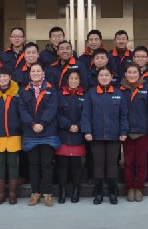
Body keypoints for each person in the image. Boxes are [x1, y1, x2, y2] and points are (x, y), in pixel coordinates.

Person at [82, 67, 128, 205]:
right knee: (98, 164)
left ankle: (113, 193)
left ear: (111, 77)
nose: (104, 77)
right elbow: (86, 114)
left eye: (106, 75)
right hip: (96, 136)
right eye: (101, 75)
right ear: (97, 77)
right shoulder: (91, 94)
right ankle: (98, 193)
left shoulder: (118, 93)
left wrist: (123, 132)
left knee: (112, 164)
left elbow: (124, 115)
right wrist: (87, 131)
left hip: (114, 136)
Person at [18, 62, 60, 207]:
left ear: (43, 73)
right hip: (31, 133)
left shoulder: (51, 89)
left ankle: (47, 193)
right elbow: (22, 110)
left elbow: (52, 108)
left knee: (47, 164)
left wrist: (42, 123)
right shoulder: (24, 91)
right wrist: (32, 124)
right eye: (33, 71)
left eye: (38, 71)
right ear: (29, 74)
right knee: (34, 164)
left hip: (47, 132)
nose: (35, 73)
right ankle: (35, 192)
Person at [120, 62, 148, 202]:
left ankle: (140, 188)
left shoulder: (147, 88)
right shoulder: (120, 88)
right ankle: (130, 188)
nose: (132, 75)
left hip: (143, 131)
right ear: (125, 74)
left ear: (139, 74)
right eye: (129, 72)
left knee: (141, 162)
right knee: (128, 162)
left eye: (135, 72)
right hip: (127, 132)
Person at [0, 68, 22, 205]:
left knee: (13, 164)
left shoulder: (17, 93)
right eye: (0, 76)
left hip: (14, 134)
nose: (2, 79)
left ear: (10, 77)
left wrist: (18, 125)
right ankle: (0, 193)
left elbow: (21, 112)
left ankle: (13, 193)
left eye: (5, 76)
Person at [56, 70, 86, 204]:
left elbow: (87, 114)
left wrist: (78, 126)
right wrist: (68, 125)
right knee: (62, 165)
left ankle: (76, 191)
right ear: (67, 80)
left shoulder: (84, 95)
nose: (73, 81)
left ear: (80, 81)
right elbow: (57, 113)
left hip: (78, 135)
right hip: (63, 134)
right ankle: (62, 191)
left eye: (76, 78)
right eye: (71, 78)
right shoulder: (59, 94)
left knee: (76, 165)